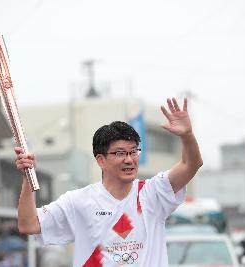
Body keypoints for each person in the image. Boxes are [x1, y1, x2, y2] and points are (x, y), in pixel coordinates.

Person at [15, 97, 203, 266]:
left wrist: (187, 136)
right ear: (100, 160)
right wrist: (27, 178)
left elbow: (191, 164)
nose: (129, 159)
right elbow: (28, 224)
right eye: (120, 153)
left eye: (133, 151)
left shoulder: (152, 193)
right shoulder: (79, 202)